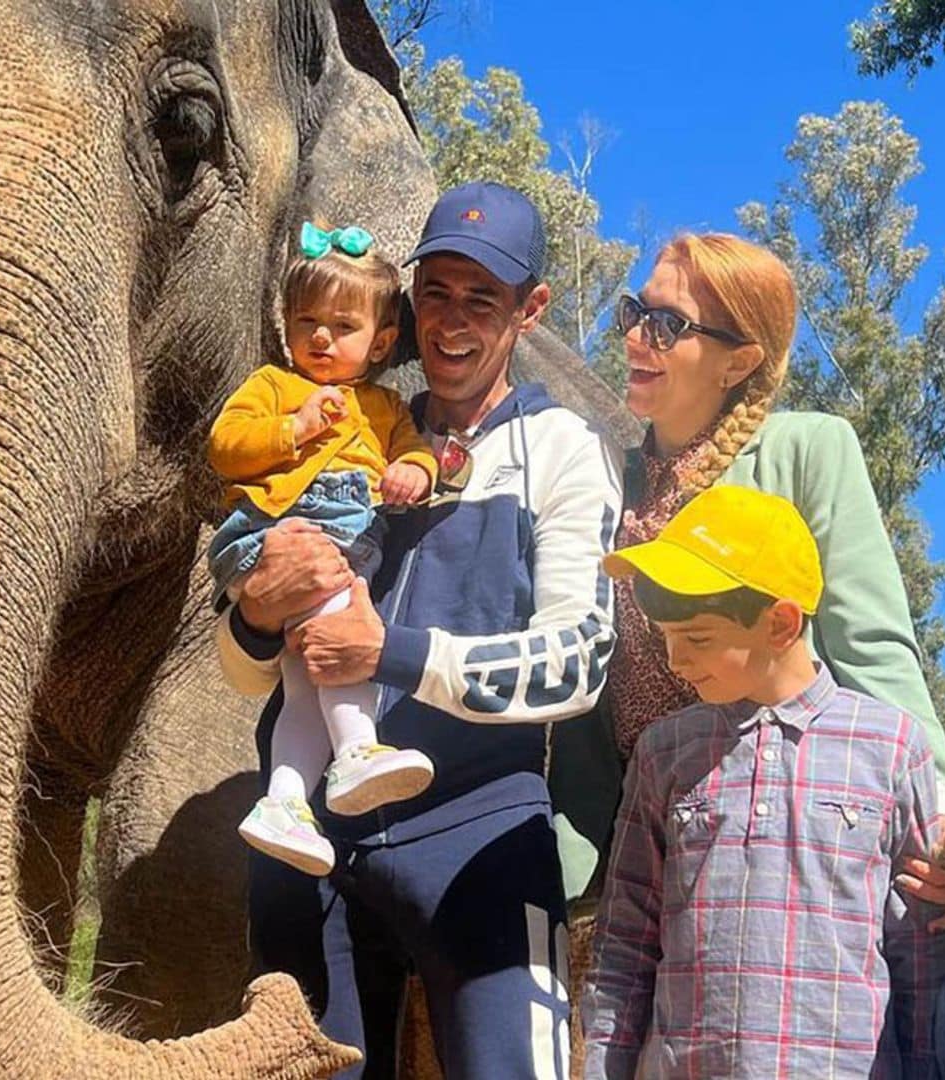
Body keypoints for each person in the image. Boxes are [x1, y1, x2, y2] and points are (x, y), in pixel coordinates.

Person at [216, 182, 624, 1077]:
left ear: (531, 310)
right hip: (311, 837)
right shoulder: (352, 423)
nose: (452, 321)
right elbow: (247, 675)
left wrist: (390, 655)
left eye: (482, 299)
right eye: (435, 292)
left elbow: (579, 663)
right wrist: (254, 612)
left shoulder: (564, 450)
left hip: (481, 831)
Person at [548, 231, 945, 923]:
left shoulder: (807, 451)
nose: (637, 338)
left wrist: (941, 811)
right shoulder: (601, 474)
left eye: (668, 324)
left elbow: (871, 642)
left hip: (780, 824)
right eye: (634, 313)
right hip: (624, 839)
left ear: (738, 361)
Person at [582, 484, 945, 1079]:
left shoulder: (891, 747)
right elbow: (626, 939)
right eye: (665, 637)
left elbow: (918, 949)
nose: (675, 660)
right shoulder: (664, 751)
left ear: (780, 622)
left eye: (696, 637)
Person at [206, 221, 439, 876]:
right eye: (306, 321)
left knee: (305, 680)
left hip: (343, 542)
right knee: (340, 635)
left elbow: (415, 452)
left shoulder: (387, 407)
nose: (321, 337)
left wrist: (415, 473)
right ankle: (358, 749)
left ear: (382, 342)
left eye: (342, 326)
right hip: (271, 533)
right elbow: (225, 447)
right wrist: (292, 428)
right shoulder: (273, 387)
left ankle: (284, 801)